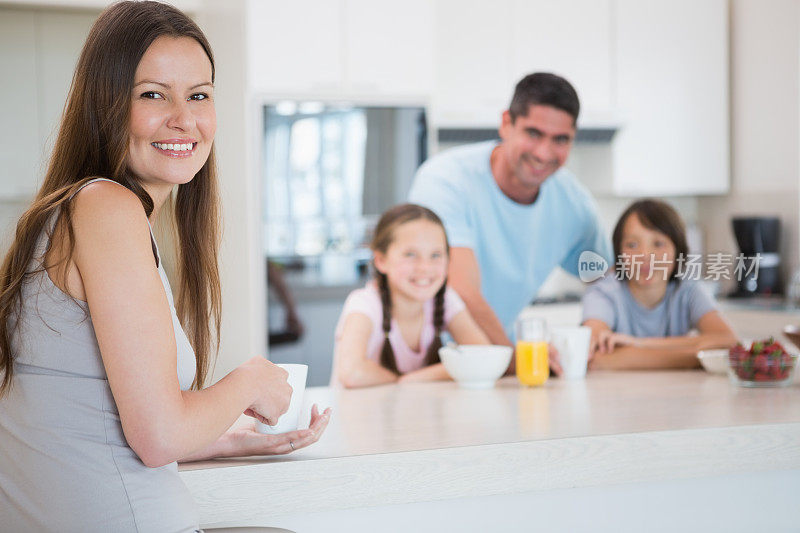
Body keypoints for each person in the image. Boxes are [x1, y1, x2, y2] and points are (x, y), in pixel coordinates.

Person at [0, 2, 329, 531]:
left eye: (199, 95)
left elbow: (90, 430)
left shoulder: (76, 209)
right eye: (152, 94)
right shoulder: (106, 206)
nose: (184, 118)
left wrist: (223, 439)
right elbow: (157, 438)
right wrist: (247, 383)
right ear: (105, 104)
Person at [408, 72, 612, 374]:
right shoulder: (445, 181)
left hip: (494, 358)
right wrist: (512, 360)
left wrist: (596, 324)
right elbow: (461, 291)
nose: (544, 153)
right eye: (533, 133)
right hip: (419, 359)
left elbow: (606, 278)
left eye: (560, 140)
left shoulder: (574, 204)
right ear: (506, 123)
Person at [332, 204, 489, 388]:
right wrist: (402, 380)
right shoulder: (364, 304)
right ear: (381, 261)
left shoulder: (445, 298)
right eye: (411, 254)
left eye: (436, 255)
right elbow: (352, 373)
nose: (425, 267)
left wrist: (414, 378)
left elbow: (483, 356)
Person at [581, 199, 737, 369]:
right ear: (619, 253)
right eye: (632, 245)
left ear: (678, 251)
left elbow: (728, 341)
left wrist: (639, 344)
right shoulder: (603, 293)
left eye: (658, 244)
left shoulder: (688, 290)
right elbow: (595, 357)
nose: (645, 255)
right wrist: (694, 355)